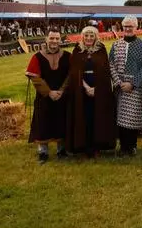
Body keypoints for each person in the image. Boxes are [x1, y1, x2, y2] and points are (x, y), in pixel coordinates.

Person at [66, 26, 116, 157]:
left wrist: (96, 88)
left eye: (91, 36)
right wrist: (86, 87)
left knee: (97, 117)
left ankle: (96, 147)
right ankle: (83, 146)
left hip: (98, 89)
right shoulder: (77, 50)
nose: (89, 38)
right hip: (81, 89)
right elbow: (74, 71)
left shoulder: (101, 49)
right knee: (84, 117)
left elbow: (105, 71)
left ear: (96, 37)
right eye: (86, 36)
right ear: (82, 37)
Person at [25, 28, 70, 163]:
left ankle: (61, 150)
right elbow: (35, 78)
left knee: (61, 122)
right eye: (51, 38)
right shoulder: (37, 57)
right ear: (46, 39)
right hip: (44, 97)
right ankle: (43, 152)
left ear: (60, 40)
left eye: (57, 38)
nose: (54, 41)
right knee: (43, 123)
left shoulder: (67, 56)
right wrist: (49, 92)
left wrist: (61, 91)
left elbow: (70, 76)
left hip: (62, 96)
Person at [109, 15, 142, 156]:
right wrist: (119, 83)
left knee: (133, 117)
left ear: (136, 27)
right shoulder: (116, 45)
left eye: (130, 26)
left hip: (134, 88)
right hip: (120, 88)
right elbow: (111, 65)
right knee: (120, 117)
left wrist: (132, 84)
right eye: (125, 26)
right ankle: (123, 146)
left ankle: (132, 146)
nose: (128, 28)